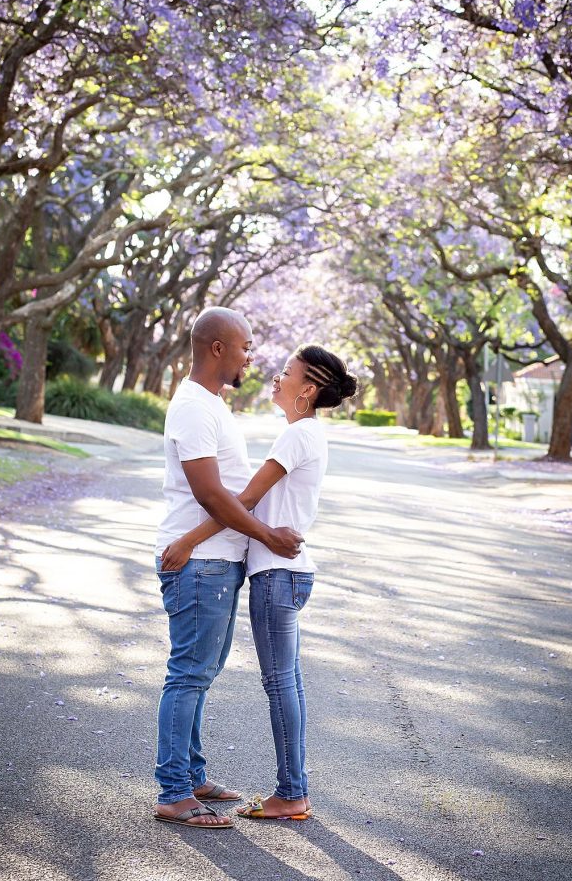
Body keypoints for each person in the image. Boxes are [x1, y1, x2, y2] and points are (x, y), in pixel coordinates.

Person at [162, 343, 357, 821]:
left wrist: (188, 539)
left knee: (281, 683)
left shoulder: (297, 437)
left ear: (307, 391)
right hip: (283, 572)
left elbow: (244, 500)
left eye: (287, 373)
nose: (275, 376)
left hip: (277, 572)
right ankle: (290, 789)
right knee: (283, 682)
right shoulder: (303, 433)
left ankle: (292, 792)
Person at [153, 307, 303, 830]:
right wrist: (268, 536)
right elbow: (211, 494)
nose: (251, 356)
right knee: (189, 674)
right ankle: (173, 792)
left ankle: (191, 776)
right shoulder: (194, 407)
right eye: (245, 346)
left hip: (215, 562)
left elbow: (229, 493)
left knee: (201, 672)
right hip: (201, 567)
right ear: (217, 348)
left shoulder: (211, 405)